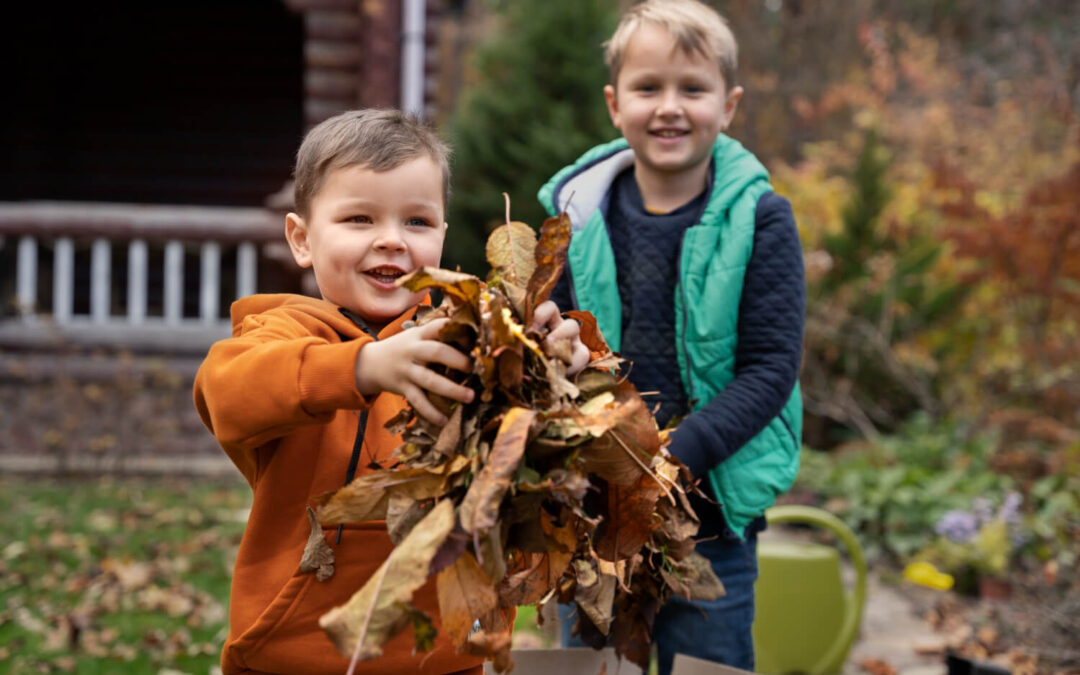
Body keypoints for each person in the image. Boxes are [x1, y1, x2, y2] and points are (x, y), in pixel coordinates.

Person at [195, 109, 587, 675]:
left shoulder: (471, 340)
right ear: (301, 240)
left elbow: (525, 489)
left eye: (417, 222)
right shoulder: (282, 333)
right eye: (358, 219)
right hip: (293, 655)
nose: (390, 241)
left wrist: (552, 377)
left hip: (443, 658)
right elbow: (226, 393)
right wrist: (361, 367)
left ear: (443, 234)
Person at [538, 1, 805, 673]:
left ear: (730, 104)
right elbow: (560, 333)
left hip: (709, 513)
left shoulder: (761, 220)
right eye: (648, 87)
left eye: (693, 88)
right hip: (598, 505)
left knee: (706, 662)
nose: (670, 107)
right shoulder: (579, 215)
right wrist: (550, 344)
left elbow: (771, 368)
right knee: (591, 663)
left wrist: (676, 457)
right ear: (614, 103)